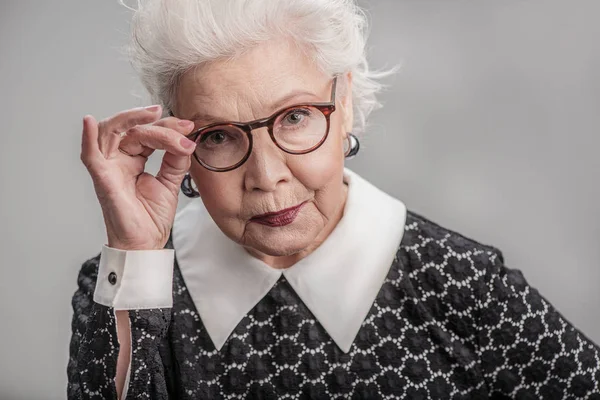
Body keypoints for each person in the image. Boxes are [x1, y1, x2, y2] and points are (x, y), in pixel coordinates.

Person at [67, 0, 600, 398]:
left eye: (295, 117)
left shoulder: (460, 280)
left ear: (343, 103)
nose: (266, 176)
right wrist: (135, 253)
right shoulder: (126, 283)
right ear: (180, 142)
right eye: (219, 135)